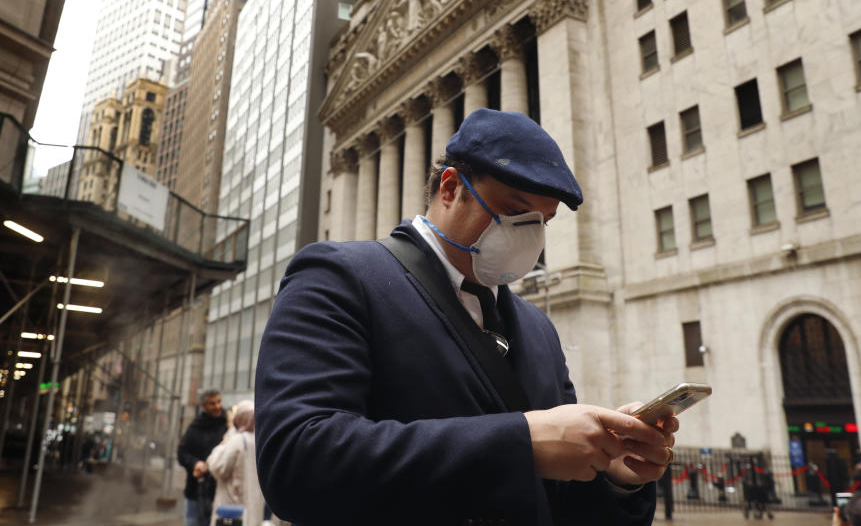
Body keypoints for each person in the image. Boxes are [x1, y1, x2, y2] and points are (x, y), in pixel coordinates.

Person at [256, 109, 679, 525]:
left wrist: (614, 475)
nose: (530, 237)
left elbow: (556, 499)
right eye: (514, 213)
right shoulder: (340, 277)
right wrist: (522, 444)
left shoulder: (539, 329)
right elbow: (296, 461)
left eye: (542, 222)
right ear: (450, 188)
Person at [207, 400, 271, 526]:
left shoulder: (237, 440)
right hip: (254, 507)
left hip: (233, 509)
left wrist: (220, 447)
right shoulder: (261, 442)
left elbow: (219, 468)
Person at [177, 390, 227, 526]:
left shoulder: (228, 426)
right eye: (212, 403)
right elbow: (182, 453)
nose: (217, 406)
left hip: (220, 492)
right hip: (195, 491)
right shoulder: (195, 427)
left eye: (219, 401)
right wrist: (195, 464)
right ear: (203, 406)